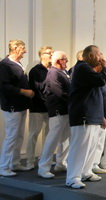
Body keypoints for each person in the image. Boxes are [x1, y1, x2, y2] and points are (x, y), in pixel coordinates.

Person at [66, 45, 106, 189]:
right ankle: (72, 178)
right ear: (90, 56)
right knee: (79, 147)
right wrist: (105, 67)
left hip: (92, 115)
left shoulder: (87, 69)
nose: (101, 58)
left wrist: (100, 116)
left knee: (91, 146)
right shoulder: (82, 68)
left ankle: (86, 172)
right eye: (98, 55)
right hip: (83, 114)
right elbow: (101, 81)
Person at [0, 39, 34, 176]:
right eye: (23, 48)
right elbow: (3, 86)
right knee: (11, 136)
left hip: (20, 106)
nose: (25, 51)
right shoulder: (5, 65)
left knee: (19, 136)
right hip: (12, 106)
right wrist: (23, 91)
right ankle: (3, 167)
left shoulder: (17, 64)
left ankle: (14, 163)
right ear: (14, 48)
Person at [37, 51, 71, 179]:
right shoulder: (53, 73)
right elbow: (58, 92)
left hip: (65, 111)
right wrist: (73, 100)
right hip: (58, 111)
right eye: (65, 59)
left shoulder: (63, 72)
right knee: (52, 140)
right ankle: (43, 167)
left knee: (65, 139)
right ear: (58, 61)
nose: (67, 62)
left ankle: (61, 163)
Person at [26, 46, 53, 170]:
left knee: (49, 135)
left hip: (51, 109)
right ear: (42, 55)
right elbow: (37, 89)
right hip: (37, 107)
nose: (52, 55)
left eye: (52, 53)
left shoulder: (53, 70)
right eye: (49, 53)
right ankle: (30, 161)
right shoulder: (35, 71)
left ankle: (45, 158)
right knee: (33, 135)